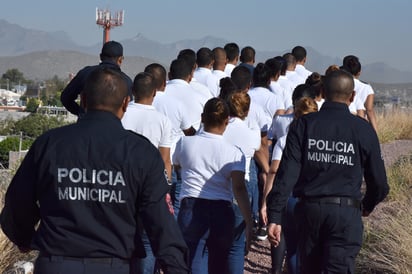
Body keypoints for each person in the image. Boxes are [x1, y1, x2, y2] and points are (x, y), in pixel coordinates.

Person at [0, 67, 189, 274]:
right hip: (116, 264)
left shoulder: (49, 144)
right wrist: (175, 267)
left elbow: (17, 202)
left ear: (83, 99)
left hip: (57, 263)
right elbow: (161, 221)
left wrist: (25, 238)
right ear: (126, 103)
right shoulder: (141, 152)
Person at [266, 69, 389, 274]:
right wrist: (366, 205)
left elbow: (286, 175)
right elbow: (380, 183)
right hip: (345, 214)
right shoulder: (363, 129)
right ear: (352, 96)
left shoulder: (303, 125)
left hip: (309, 212)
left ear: (321, 91)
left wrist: (275, 216)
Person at [173, 97, 252, 274]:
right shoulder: (234, 152)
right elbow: (239, 189)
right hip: (222, 210)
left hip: (192, 205)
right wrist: (248, 221)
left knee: (193, 261)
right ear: (226, 122)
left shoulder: (185, 143)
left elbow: (177, 164)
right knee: (219, 263)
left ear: (202, 118)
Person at [263, 96, 318, 274]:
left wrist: (267, 202)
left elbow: (274, 171)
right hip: (315, 198)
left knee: (292, 248)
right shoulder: (322, 140)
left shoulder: (286, 139)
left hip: (291, 198)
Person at [221, 84, 261, 274]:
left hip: (219, 183)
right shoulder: (251, 134)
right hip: (241, 186)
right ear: (247, 110)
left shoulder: (220, 128)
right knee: (236, 246)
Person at [61, 40, 132, 118]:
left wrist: (81, 113)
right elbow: (128, 110)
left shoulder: (85, 73)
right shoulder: (126, 81)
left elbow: (65, 98)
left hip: (86, 126)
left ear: (101, 57)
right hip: (112, 128)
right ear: (120, 59)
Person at [341, 55, 378, 131]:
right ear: (359, 72)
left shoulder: (340, 83)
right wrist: (375, 132)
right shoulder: (367, 87)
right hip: (361, 124)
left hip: (343, 121)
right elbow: (369, 110)